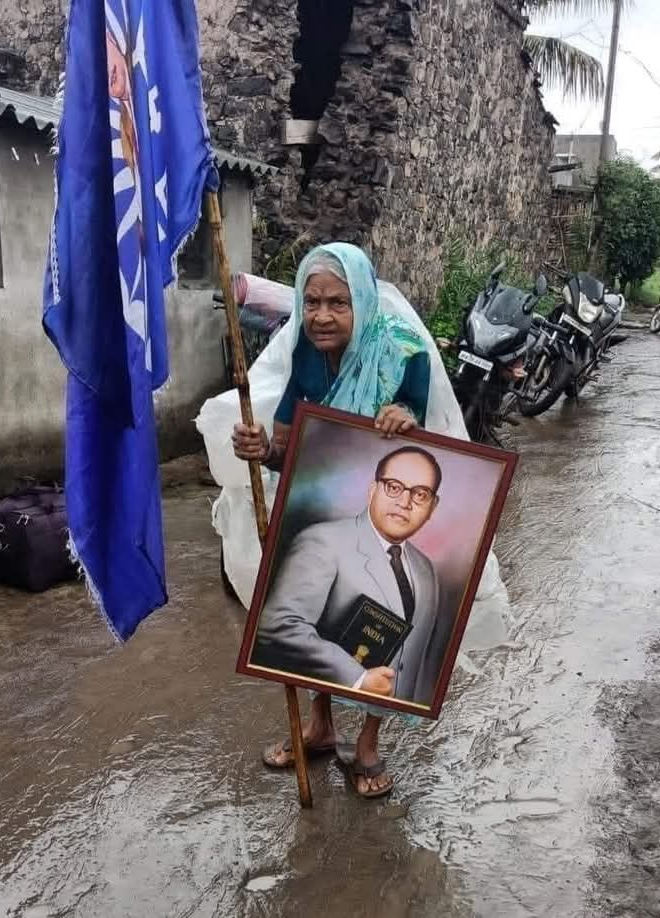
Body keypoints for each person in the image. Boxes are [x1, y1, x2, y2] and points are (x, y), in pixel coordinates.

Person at [196, 242, 511, 798]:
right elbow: (288, 453)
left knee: (390, 622)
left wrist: (406, 419)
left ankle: (366, 744)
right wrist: (261, 448)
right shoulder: (303, 356)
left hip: (391, 510)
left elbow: (431, 445)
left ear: (361, 302)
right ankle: (319, 727)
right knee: (318, 618)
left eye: (337, 303)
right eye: (311, 301)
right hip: (328, 510)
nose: (321, 315)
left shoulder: (402, 353)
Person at [252, 445, 453, 709]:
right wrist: (357, 678)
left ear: (432, 506)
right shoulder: (323, 541)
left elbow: (414, 656)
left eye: (420, 494)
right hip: (342, 683)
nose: (405, 502)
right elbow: (279, 624)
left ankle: (369, 738)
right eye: (393, 487)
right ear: (372, 490)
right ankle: (321, 725)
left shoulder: (425, 570)